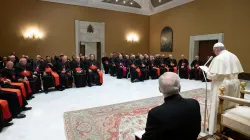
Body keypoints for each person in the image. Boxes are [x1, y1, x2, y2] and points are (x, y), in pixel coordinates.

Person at [142, 72, 201, 140]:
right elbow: (197, 130)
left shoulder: (155, 113)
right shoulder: (194, 103)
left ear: (159, 89)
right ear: (180, 87)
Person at [206, 42, 243, 135]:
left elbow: (212, 76)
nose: (214, 53)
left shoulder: (218, 58)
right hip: (234, 84)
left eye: (214, 51)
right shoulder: (234, 56)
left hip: (222, 85)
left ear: (217, 49)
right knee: (230, 104)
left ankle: (215, 128)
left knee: (218, 106)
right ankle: (227, 126)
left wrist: (207, 71)